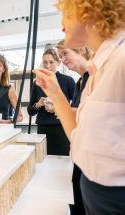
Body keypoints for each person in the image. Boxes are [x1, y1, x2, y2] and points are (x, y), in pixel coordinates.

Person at [34, 0, 125, 213]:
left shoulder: (120, 62)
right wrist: (55, 93)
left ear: (86, 11)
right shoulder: (98, 70)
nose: (62, 25)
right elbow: (80, 130)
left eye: (65, 14)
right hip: (95, 194)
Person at [57, 39, 92, 215]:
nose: (62, 59)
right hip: (80, 150)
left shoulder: (94, 77)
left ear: (80, 49)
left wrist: (57, 103)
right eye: (60, 56)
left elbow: (86, 114)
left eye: (65, 54)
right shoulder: (81, 81)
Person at [27, 48, 75, 155]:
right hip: (43, 130)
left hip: (62, 129)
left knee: (63, 162)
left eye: (51, 62)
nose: (47, 65)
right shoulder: (38, 82)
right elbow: (30, 111)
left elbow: (78, 107)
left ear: (58, 63)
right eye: (45, 62)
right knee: (43, 162)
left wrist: (56, 109)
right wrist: (38, 104)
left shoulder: (68, 81)